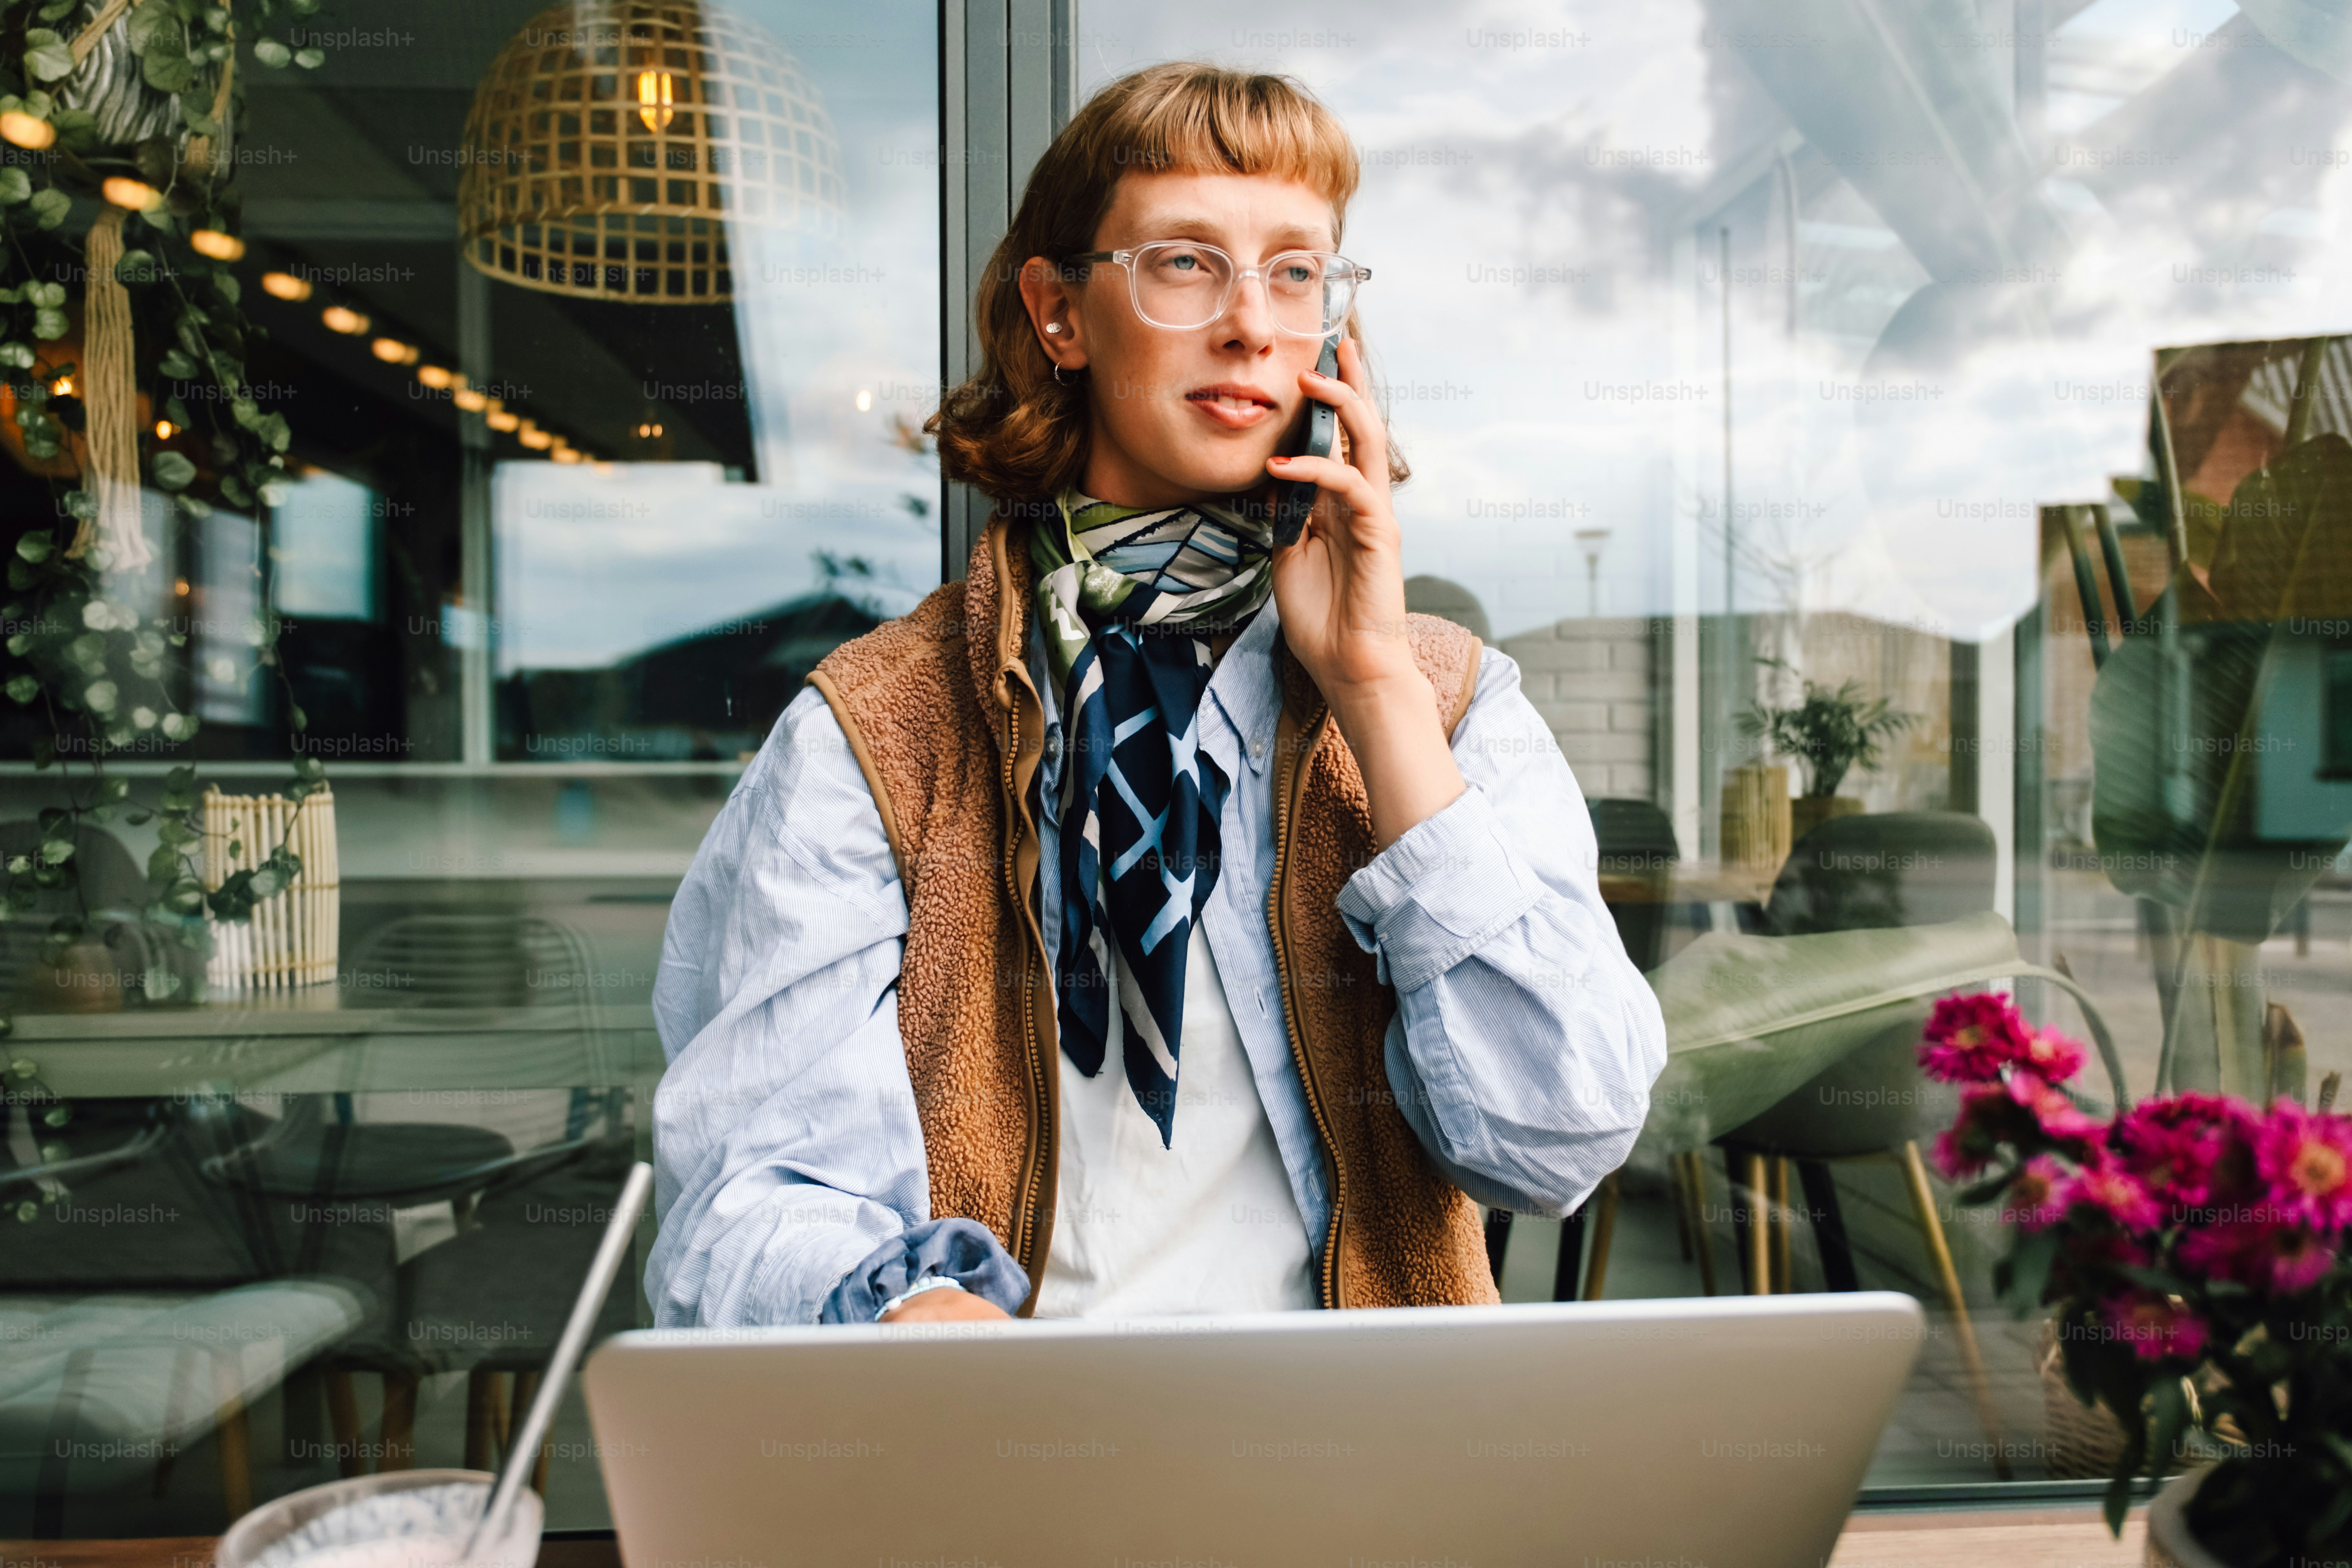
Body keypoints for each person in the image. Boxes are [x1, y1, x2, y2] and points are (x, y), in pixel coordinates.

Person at [647, 62, 1667, 1326]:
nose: (1250, 322)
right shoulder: (874, 731)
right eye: (1185, 263)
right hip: (1014, 1469)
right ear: (1061, 314)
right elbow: (745, 1202)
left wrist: (1372, 692)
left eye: (1296, 272)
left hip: (1361, 1466)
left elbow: (1554, 1144)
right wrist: (899, 1313)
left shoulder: (1450, 704)